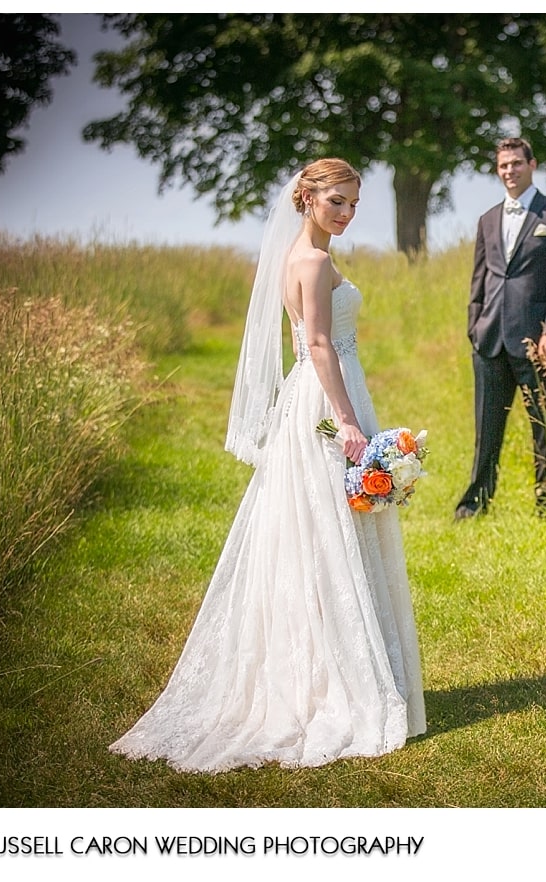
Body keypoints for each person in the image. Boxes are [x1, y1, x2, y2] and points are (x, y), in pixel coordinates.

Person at [110, 158, 426, 773]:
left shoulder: (312, 257)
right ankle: (328, 683)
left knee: (327, 533)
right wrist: (351, 423)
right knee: (326, 531)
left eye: (354, 203)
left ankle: (338, 665)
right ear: (306, 198)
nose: (346, 212)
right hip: (326, 401)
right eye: (336, 200)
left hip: (332, 392)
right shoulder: (309, 261)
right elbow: (314, 343)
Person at [454, 136, 546, 519]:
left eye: (516, 163)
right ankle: (475, 505)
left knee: (543, 424)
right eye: (503, 165)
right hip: (489, 339)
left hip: (536, 341)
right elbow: (480, 278)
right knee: (486, 430)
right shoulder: (487, 219)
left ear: (532, 165)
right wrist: (474, 326)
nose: (509, 171)